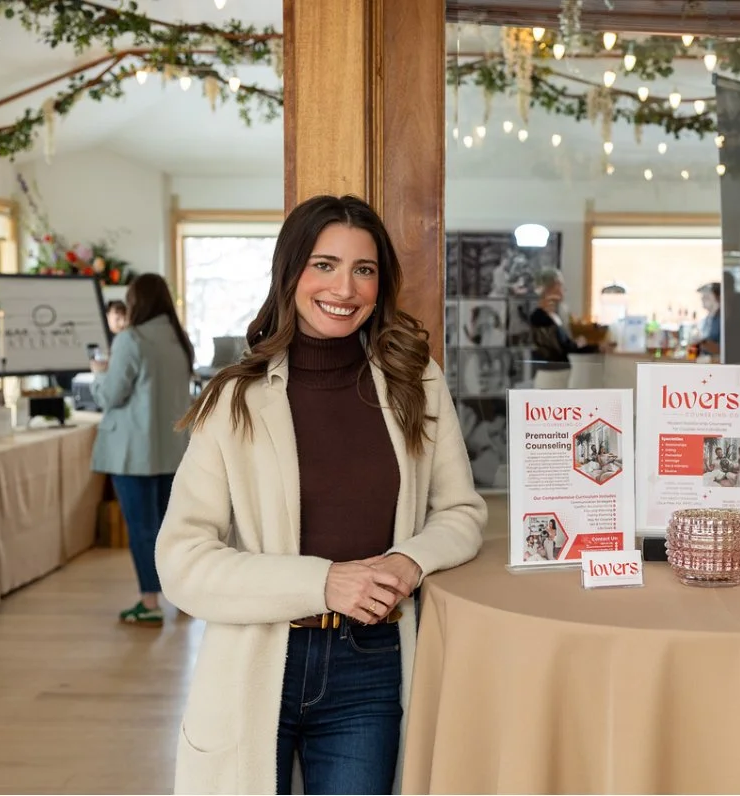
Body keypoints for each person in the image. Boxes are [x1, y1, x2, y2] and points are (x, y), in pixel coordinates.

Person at [155, 194, 486, 795]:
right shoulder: (234, 400)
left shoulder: (417, 381)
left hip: (372, 663)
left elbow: (461, 512)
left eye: (364, 269)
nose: (346, 287)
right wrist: (323, 582)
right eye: (324, 264)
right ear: (290, 273)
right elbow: (180, 562)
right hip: (256, 659)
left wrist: (409, 560)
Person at [90, 274, 193, 625]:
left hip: (133, 452)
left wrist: (99, 373)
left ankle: (148, 602)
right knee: (171, 526)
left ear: (137, 302)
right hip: (174, 450)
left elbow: (110, 395)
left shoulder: (130, 339)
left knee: (142, 527)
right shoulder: (179, 340)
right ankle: (182, 597)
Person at [528, 268, 603, 372]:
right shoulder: (540, 317)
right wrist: (578, 345)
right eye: (560, 285)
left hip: (558, 375)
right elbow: (559, 350)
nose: (563, 289)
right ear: (553, 287)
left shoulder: (554, 316)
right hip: (550, 376)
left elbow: (564, 344)